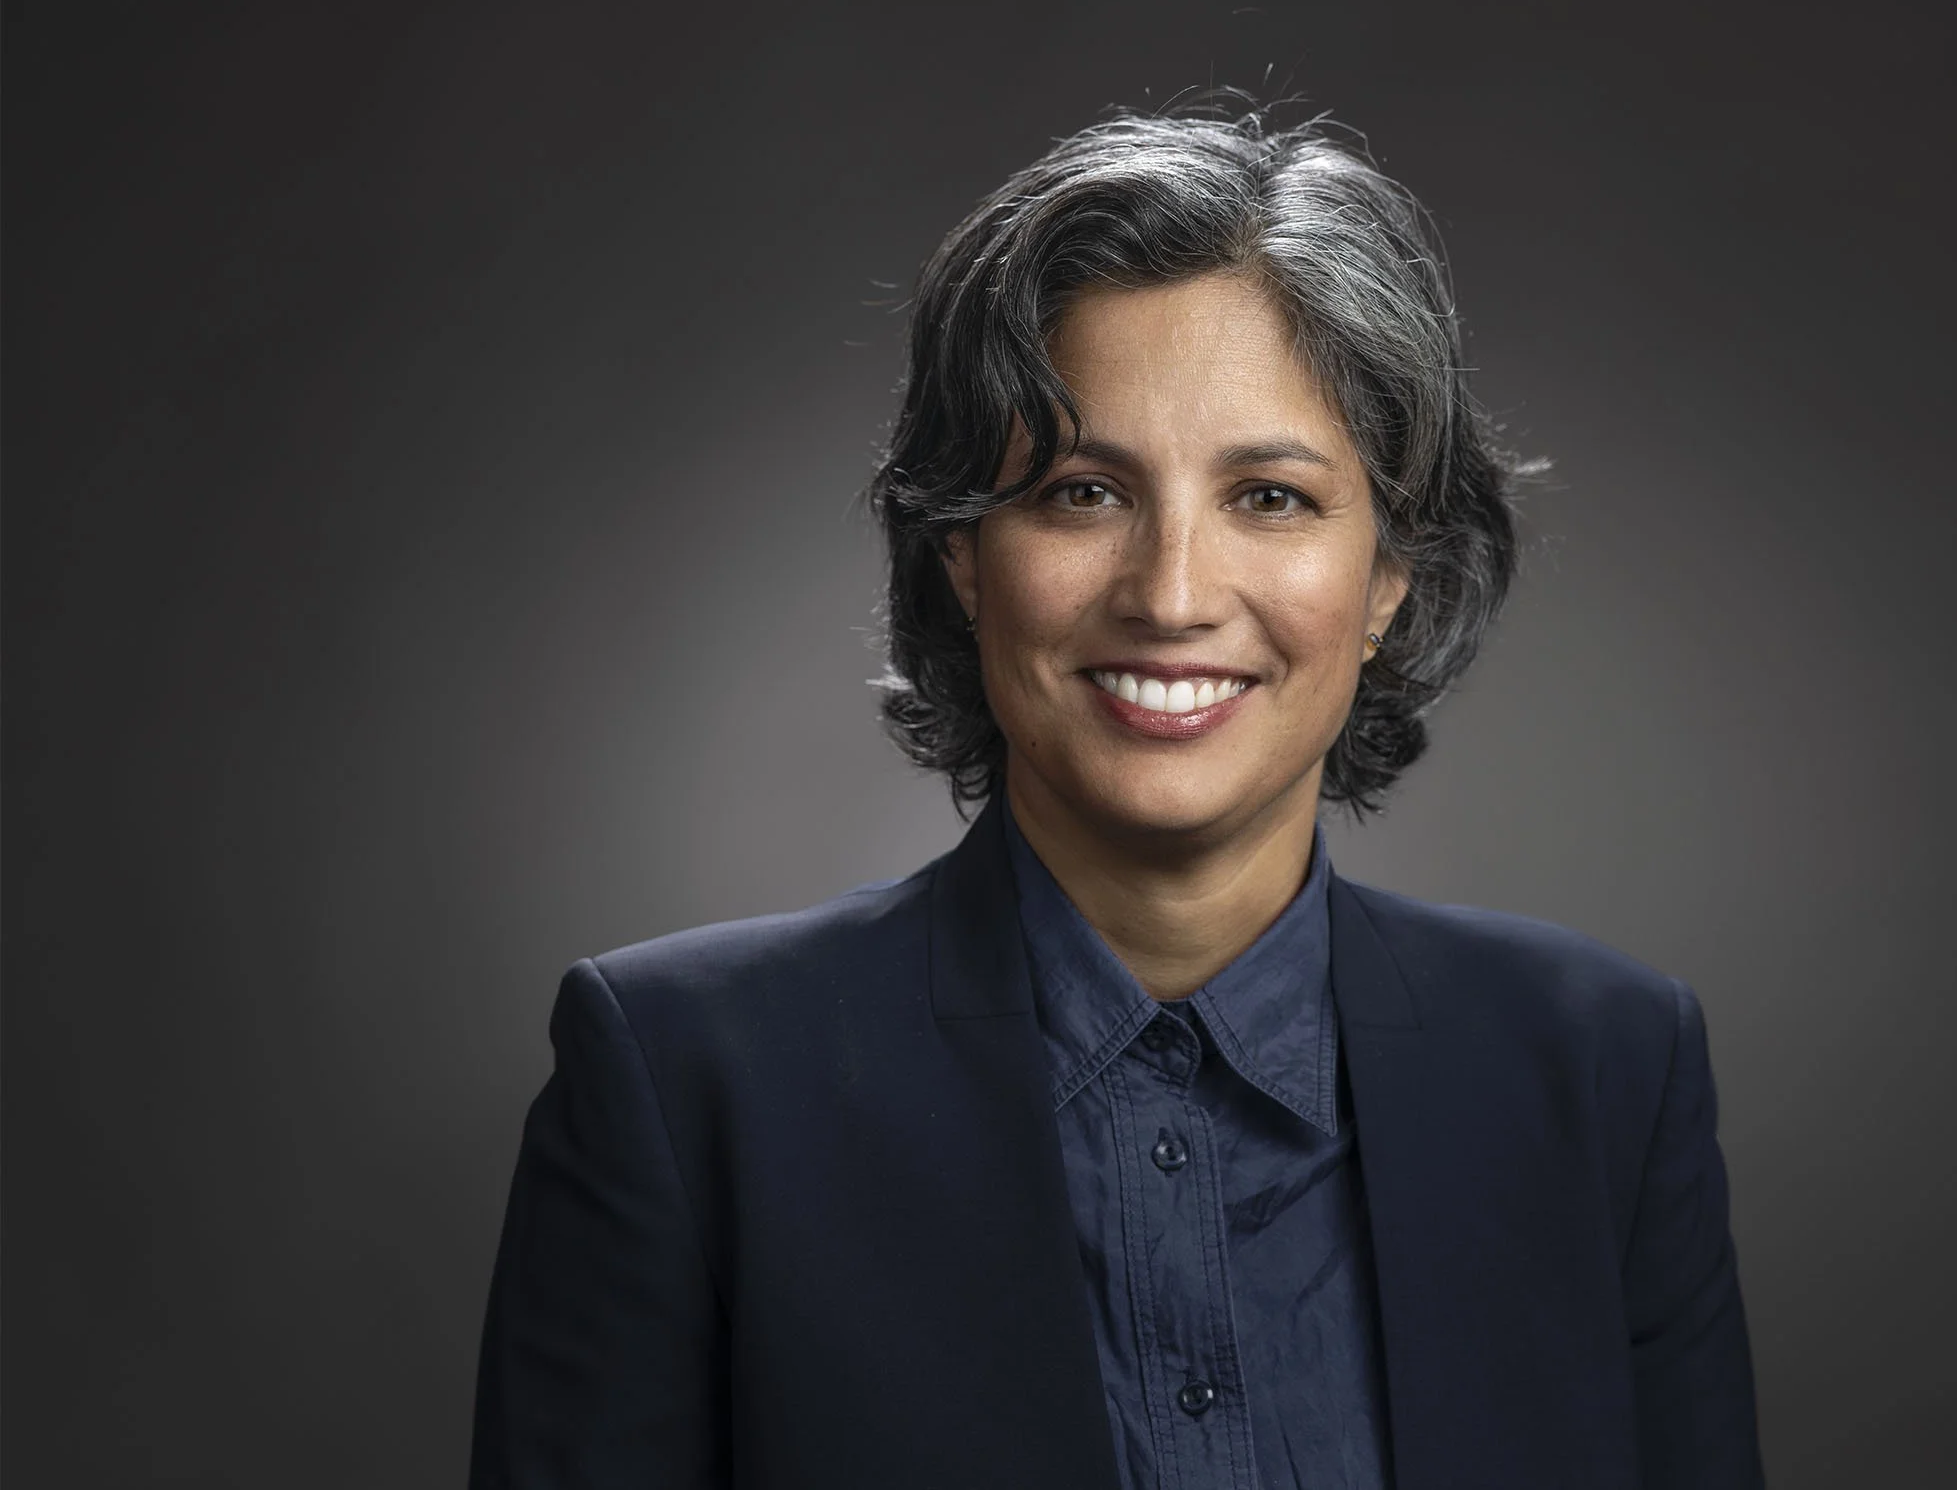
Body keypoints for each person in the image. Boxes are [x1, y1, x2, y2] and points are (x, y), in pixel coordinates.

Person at [469, 96, 1765, 1490]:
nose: (1171, 594)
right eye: (1083, 493)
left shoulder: (1605, 1073)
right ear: (962, 556)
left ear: (1391, 577)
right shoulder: (680, 1083)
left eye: (1269, 497)